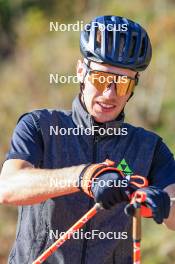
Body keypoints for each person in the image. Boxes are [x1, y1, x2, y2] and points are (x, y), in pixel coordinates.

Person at [0, 15, 175, 264]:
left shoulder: (149, 147)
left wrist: (162, 204)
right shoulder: (40, 126)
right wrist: (86, 177)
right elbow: (8, 187)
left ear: (134, 86)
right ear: (81, 71)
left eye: (122, 84)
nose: (110, 94)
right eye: (101, 78)